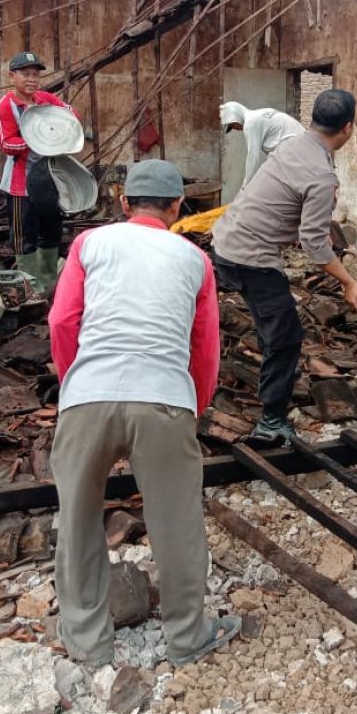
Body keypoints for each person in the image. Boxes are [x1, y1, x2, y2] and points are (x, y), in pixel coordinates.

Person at [48, 159, 238, 667]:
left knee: (78, 519)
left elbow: (63, 320)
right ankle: (188, 635)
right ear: (178, 207)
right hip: (164, 398)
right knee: (176, 521)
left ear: (123, 202)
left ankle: (88, 644)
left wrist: (75, 384)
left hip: (88, 394)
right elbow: (205, 348)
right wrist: (191, 406)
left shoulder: (89, 244)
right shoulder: (195, 258)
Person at [213, 89, 357, 446]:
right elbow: (314, 245)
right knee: (286, 338)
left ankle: (267, 382)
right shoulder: (320, 174)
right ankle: (270, 423)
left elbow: (291, 204)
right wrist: (349, 282)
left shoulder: (294, 144)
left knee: (273, 325)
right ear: (347, 128)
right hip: (249, 256)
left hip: (227, 242)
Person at [0, 51, 74, 293]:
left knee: (51, 231)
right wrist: (38, 138)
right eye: (25, 74)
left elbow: (70, 115)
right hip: (21, 185)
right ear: (12, 76)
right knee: (23, 238)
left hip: (50, 183)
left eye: (35, 75)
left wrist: (60, 127)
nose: (31, 79)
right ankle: (29, 288)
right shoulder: (5, 107)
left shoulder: (46, 99)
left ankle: (47, 283)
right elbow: (7, 144)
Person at [219, 102, 305, 190]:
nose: (235, 128)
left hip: (293, 147)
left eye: (233, 125)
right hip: (300, 145)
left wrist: (245, 186)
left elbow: (253, 156)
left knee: (273, 183)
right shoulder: (258, 115)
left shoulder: (250, 123)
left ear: (236, 115)